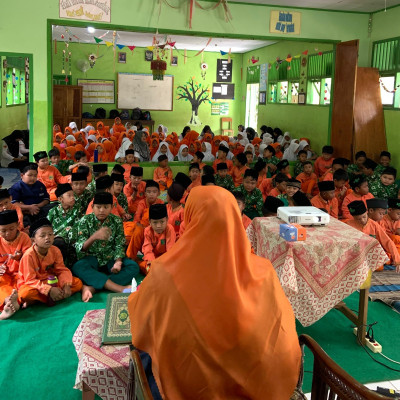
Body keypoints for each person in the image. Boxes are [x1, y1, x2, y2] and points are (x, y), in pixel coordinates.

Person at [128, 186, 301, 400]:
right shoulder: (264, 271)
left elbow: (141, 319)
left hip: (189, 387)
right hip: (262, 384)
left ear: (190, 219)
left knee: (145, 354)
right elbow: (282, 333)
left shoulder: (164, 273)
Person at [72, 192, 140, 300]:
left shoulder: (116, 221)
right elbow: (80, 248)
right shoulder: (85, 221)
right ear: (92, 207)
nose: (102, 210)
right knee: (78, 267)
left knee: (133, 267)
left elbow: (119, 243)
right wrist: (94, 237)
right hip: (92, 259)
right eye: (98, 207)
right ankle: (119, 288)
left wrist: (118, 262)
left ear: (112, 207)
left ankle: (93, 287)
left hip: (110, 258)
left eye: (106, 207)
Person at [17, 218, 84, 307]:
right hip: (35, 284)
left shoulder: (55, 250)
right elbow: (30, 280)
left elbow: (61, 270)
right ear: (33, 240)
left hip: (52, 281)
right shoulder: (28, 256)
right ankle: (53, 296)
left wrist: (66, 285)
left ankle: (41, 299)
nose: (47, 238)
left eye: (50, 234)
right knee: (25, 294)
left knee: (77, 283)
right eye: (42, 236)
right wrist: (49, 290)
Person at [346, 201, 400, 271]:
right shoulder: (348, 225)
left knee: (379, 267)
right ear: (353, 217)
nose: (362, 220)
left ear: (367, 212)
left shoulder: (374, 225)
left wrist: (398, 261)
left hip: (370, 254)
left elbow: (387, 242)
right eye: (358, 219)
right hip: (355, 254)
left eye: (364, 217)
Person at [0, 210, 31, 320]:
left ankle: (14, 302)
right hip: (5, 275)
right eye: (3, 231)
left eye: (11, 229)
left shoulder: (24, 238)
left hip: (21, 274)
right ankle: (8, 301)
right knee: (2, 283)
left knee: (26, 287)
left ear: (18, 225)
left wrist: (20, 257)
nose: (7, 233)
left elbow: (30, 258)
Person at [126, 180, 164, 260]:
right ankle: (130, 257)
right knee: (136, 230)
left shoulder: (161, 203)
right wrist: (139, 226)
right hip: (143, 229)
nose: (151, 194)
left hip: (156, 230)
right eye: (149, 192)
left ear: (158, 193)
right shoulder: (142, 203)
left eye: (154, 192)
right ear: (145, 193)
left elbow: (164, 220)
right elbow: (136, 219)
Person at [47, 183, 81, 265]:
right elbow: (46, 226)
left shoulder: (77, 210)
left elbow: (77, 227)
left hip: (70, 239)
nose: (73, 198)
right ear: (60, 199)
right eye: (69, 196)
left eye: (73, 195)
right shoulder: (53, 211)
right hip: (54, 239)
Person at [141, 204, 176, 275]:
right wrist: (153, 263)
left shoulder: (169, 229)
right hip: (153, 260)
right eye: (155, 222)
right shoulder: (147, 230)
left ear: (167, 220)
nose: (159, 226)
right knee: (147, 268)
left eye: (162, 222)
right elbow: (147, 249)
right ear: (150, 222)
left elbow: (170, 249)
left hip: (166, 259)